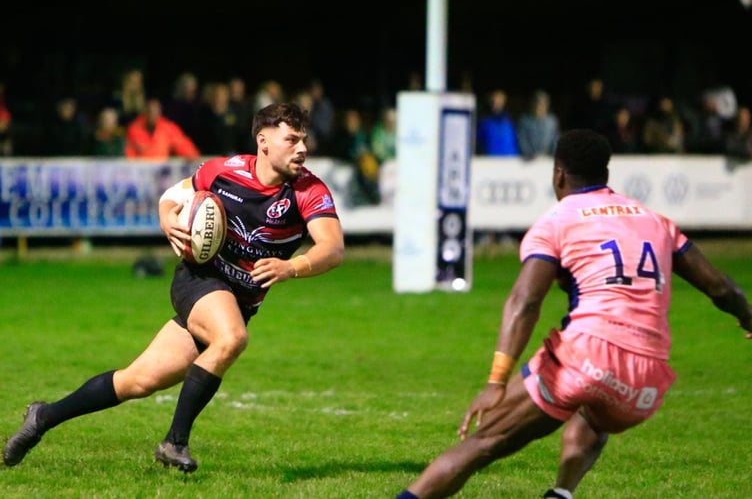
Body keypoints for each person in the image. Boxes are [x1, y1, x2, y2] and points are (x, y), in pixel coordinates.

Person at [396, 129, 752, 499]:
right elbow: (722, 287)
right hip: (647, 380)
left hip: (587, 356)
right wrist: (749, 318)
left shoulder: (557, 221)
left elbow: (525, 301)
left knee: (482, 445)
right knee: (596, 408)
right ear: (605, 173)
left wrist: (496, 382)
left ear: (559, 174)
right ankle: (563, 494)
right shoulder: (655, 221)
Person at [3, 102, 345, 473]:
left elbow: (332, 247)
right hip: (199, 280)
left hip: (238, 301)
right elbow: (173, 195)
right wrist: (168, 220)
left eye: (304, 140)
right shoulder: (223, 171)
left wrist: (291, 266)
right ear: (263, 141)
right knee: (232, 339)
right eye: (291, 139)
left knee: (136, 381)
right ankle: (174, 442)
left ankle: (42, 417)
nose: (302, 149)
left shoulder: (308, 190)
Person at [125, 97, 201, 161]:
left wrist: (194, 158)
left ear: (160, 111)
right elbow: (129, 154)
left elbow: (183, 145)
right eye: (149, 111)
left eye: (155, 110)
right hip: (141, 172)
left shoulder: (168, 127)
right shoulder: (134, 128)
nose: (152, 114)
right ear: (144, 111)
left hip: (161, 173)